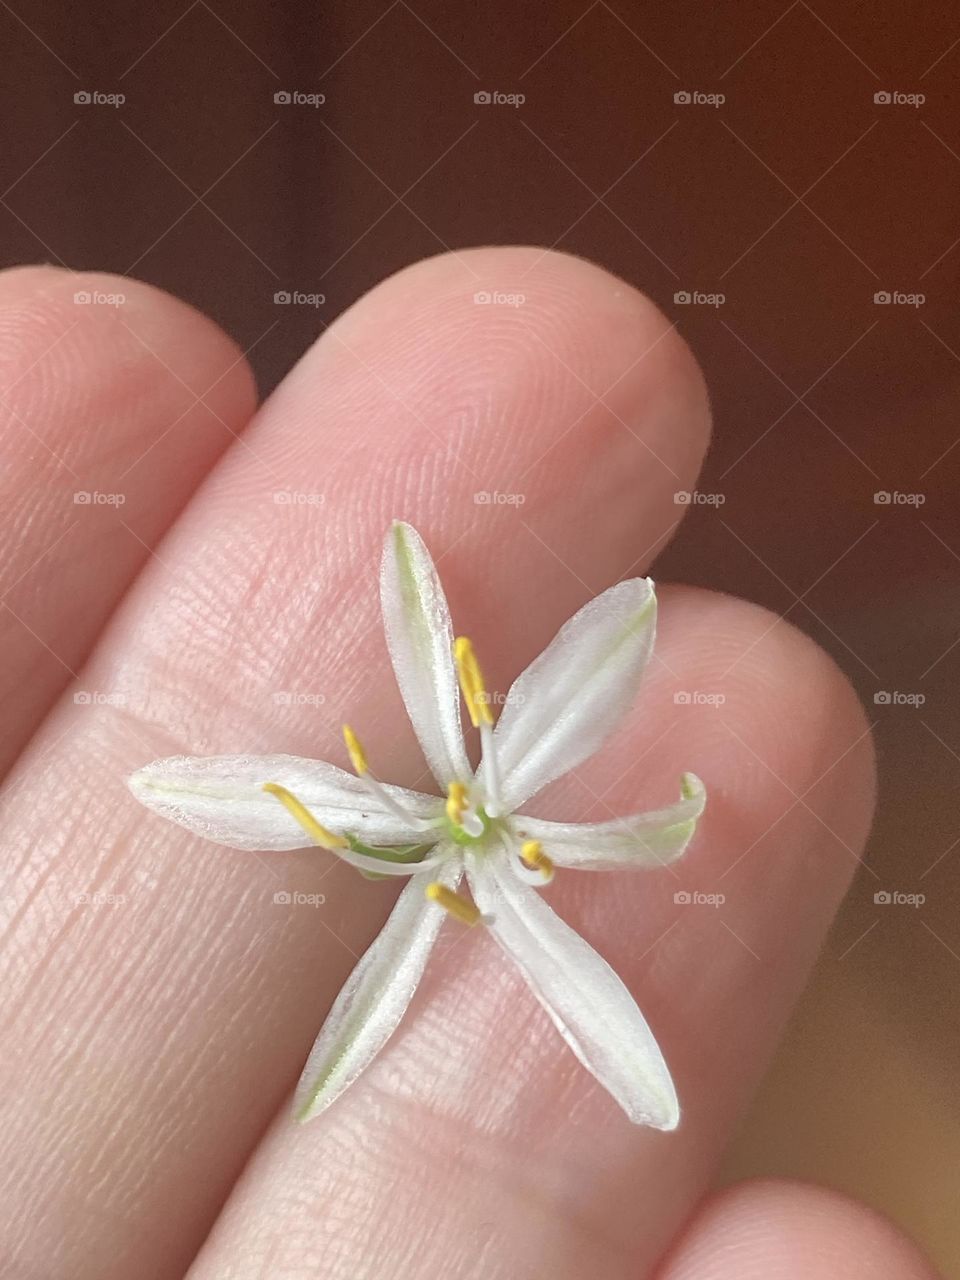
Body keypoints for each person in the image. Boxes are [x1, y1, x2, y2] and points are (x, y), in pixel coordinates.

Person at [0, 249, 938, 1278]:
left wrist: (648, 826)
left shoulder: (479, 818)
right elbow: (207, 781)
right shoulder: (448, 826)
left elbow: (598, 702)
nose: (459, 814)